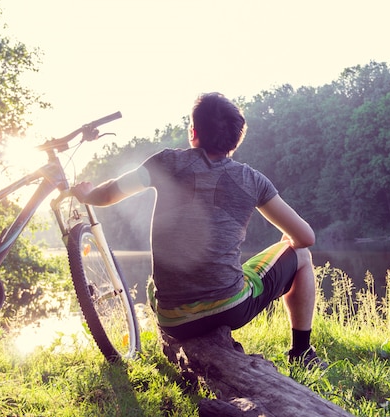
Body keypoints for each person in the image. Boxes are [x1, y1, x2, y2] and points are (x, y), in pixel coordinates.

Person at [72, 92, 326, 369]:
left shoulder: (167, 163)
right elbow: (306, 238)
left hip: (172, 320)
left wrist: (87, 194)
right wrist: (287, 242)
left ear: (193, 132)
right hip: (229, 309)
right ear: (236, 140)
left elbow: (108, 195)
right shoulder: (252, 180)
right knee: (300, 255)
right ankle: (302, 353)